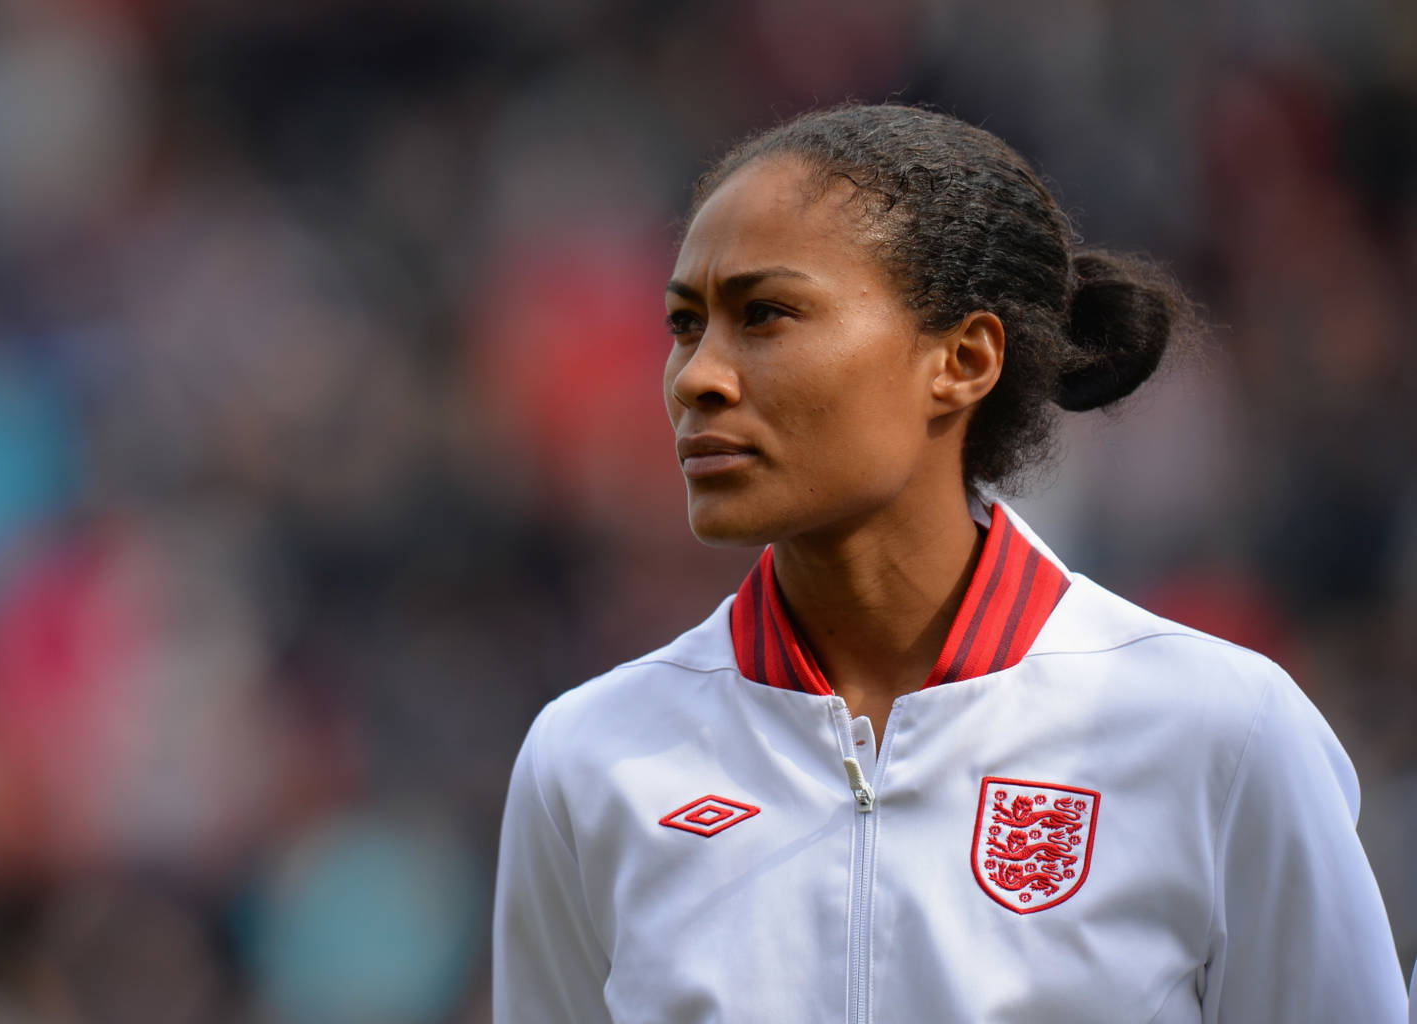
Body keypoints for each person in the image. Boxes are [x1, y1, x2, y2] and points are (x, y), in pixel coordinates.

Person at [492, 104, 1408, 1023]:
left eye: (764, 314)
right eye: (685, 324)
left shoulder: (1221, 730)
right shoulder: (587, 761)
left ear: (963, 359)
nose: (696, 376)